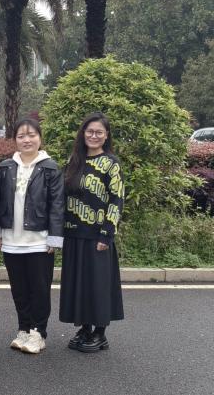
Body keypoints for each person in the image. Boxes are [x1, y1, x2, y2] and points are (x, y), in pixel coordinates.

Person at [0, 118, 64, 354]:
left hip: (39, 241)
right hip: (11, 240)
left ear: (40, 138)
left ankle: (38, 333)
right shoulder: (5, 167)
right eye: (21, 136)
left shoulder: (50, 168)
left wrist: (54, 237)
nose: (27, 140)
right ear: (15, 140)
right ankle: (23, 329)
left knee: (39, 290)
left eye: (31, 135)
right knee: (19, 289)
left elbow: (57, 205)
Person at [59, 112, 124, 352]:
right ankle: (85, 328)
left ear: (106, 136)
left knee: (98, 285)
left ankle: (100, 333)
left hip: (97, 235)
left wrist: (107, 233)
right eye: (90, 131)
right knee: (79, 285)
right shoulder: (74, 160)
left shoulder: (111, 163)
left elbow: (117, 199)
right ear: (83, 133)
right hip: (74, 233)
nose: (93, 136)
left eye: (99, 132)